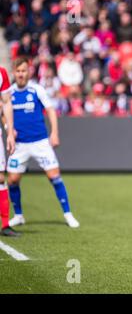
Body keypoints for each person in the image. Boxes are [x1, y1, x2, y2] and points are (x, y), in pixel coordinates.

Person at [7, 57, 80, 228]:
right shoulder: (9, 93)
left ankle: (68, 214)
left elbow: (51, 110)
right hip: (19, 145)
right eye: (18, 71)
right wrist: (8, 128)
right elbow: (4, 113)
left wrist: (54, 133)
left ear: (28, 72)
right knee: (13, 180)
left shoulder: (36, 89)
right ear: (14, 73)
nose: (21, 74)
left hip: (40, 142)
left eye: (24, 71)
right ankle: (18, 215)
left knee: (54, 176)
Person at [0, 66, 18, 236]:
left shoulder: (1, 72)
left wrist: (10, 132)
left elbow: (6, 102)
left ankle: (5, 225)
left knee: (0, 177)